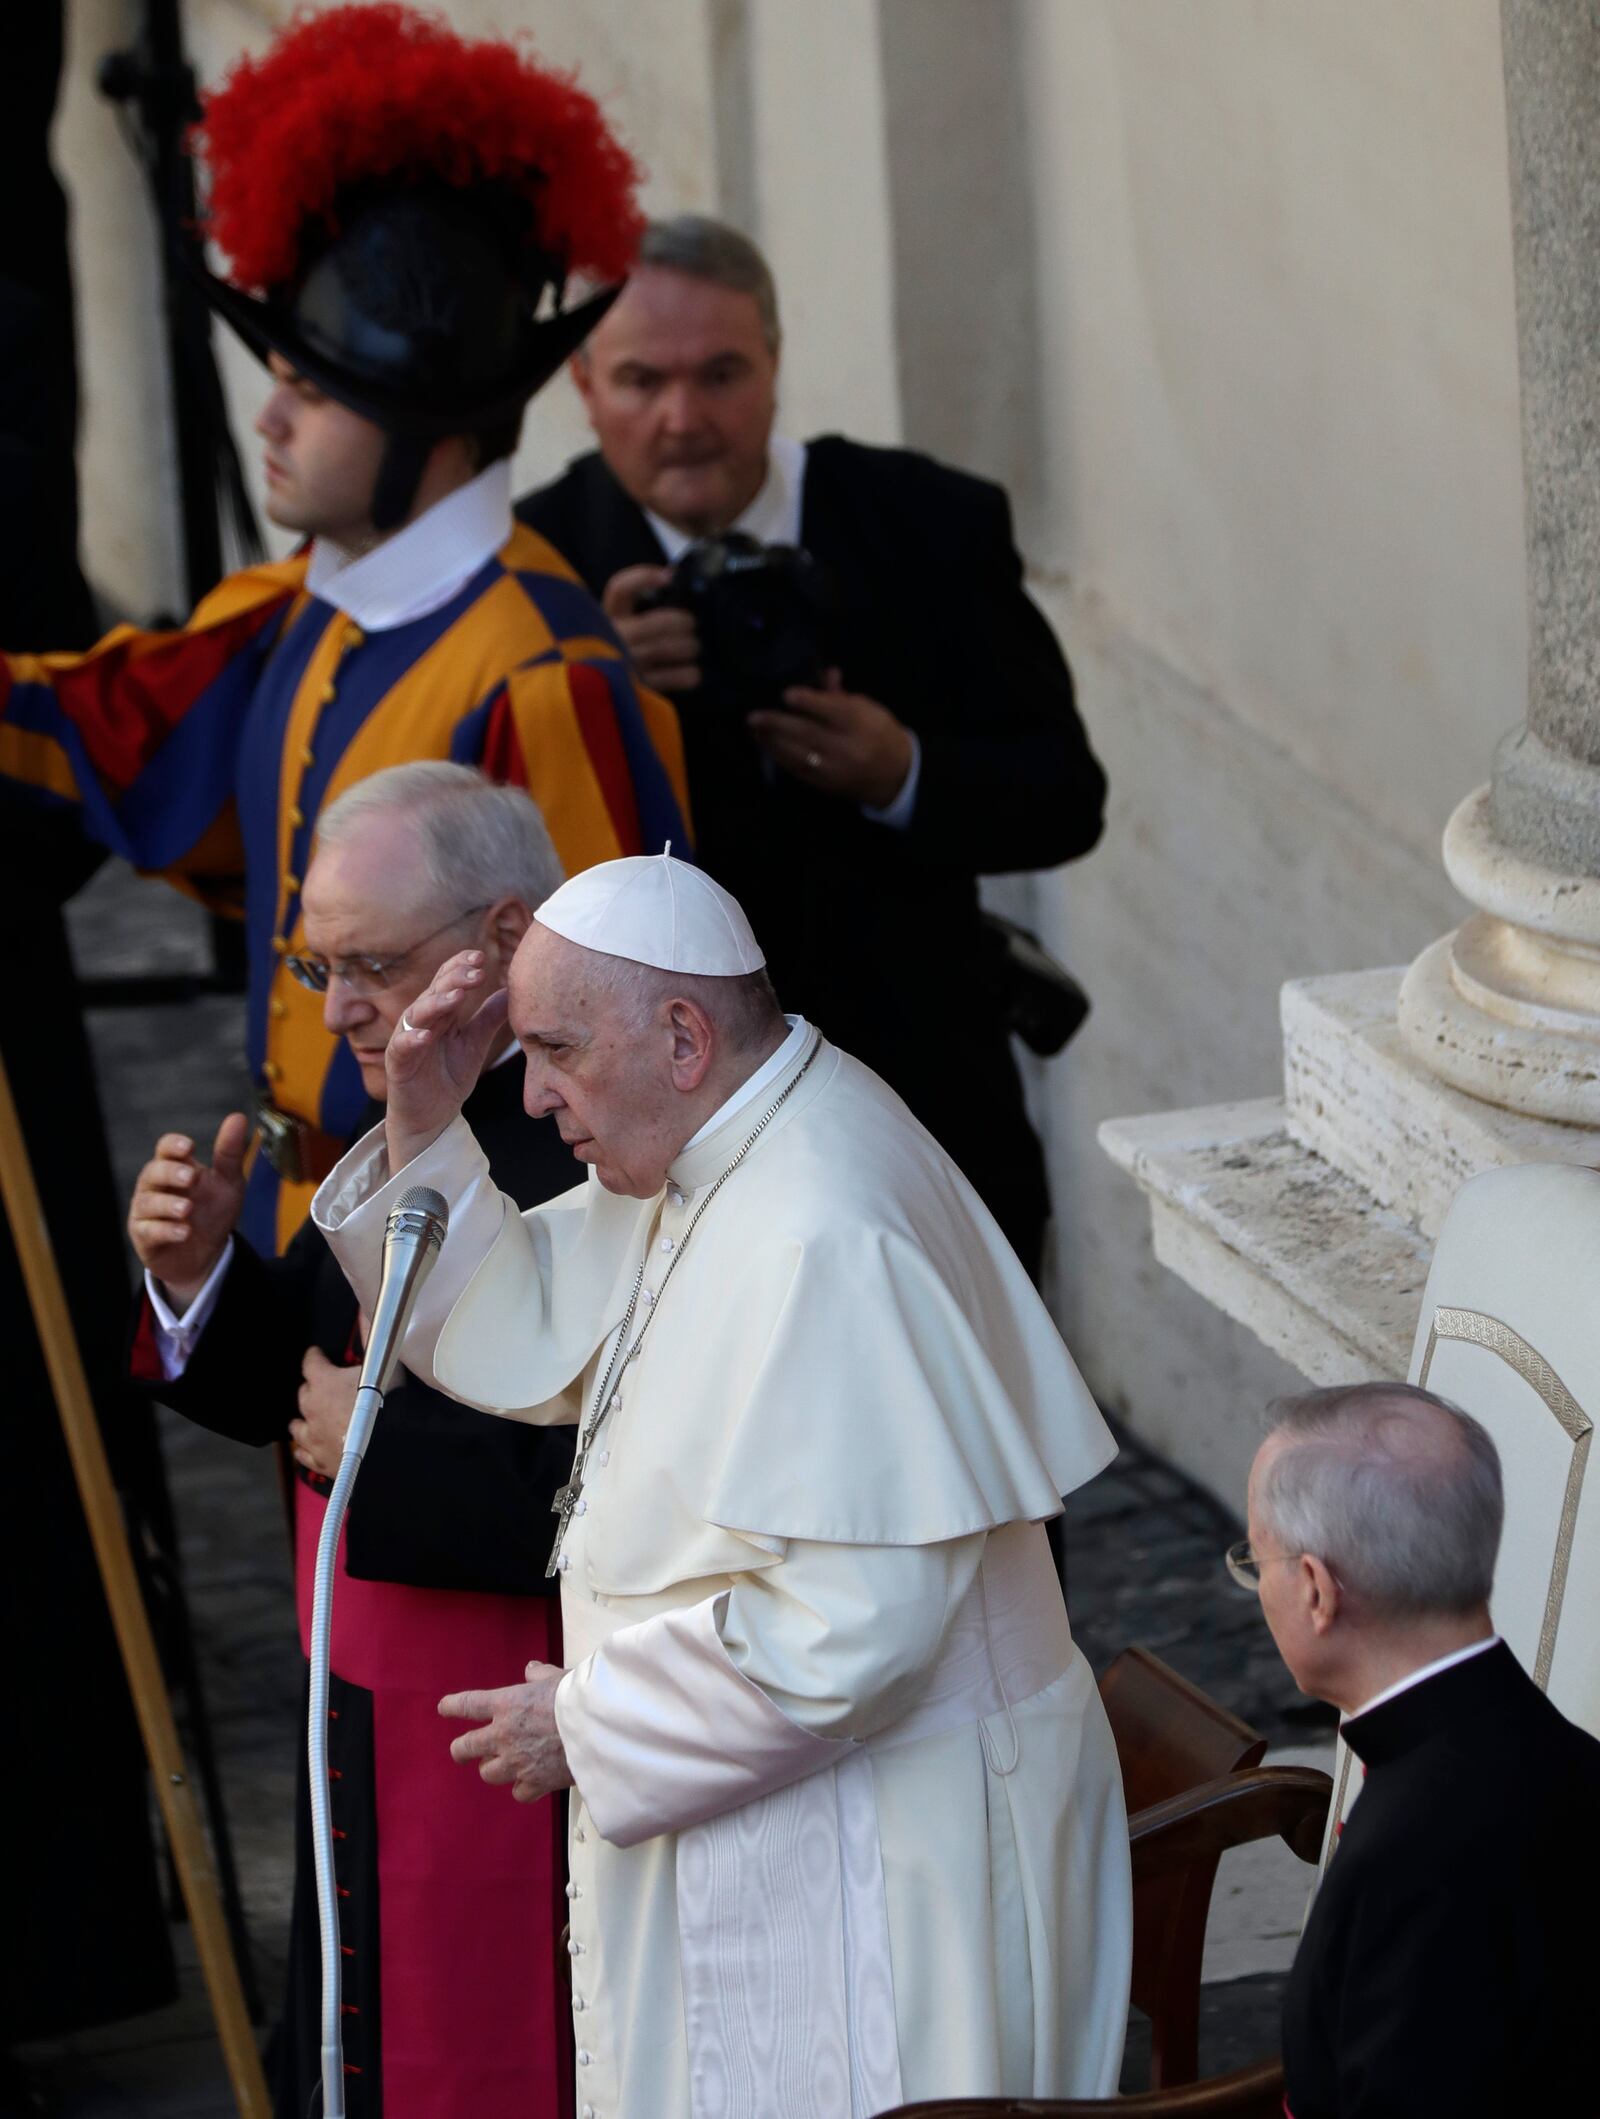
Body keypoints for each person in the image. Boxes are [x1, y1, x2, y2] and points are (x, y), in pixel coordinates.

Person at [312, 851, 1133, 2114]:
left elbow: (852, 1631)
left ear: (683, 1037)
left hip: (885, 1853)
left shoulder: (822, 1224)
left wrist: (583, 1722)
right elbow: (519, 1318)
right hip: (777, 1809)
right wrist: (427, 1126)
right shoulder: (715, 1147)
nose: (530, 1096)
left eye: (555, 1050)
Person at [0, 3, 688, 1259]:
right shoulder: (297, 613)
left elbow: (617, 1077)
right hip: (298, 1238)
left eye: (311, 393)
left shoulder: (546, 675)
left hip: (453, 1261)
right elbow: (101, 725)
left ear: (427, 425)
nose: (269, 421)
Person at [517, 215, 1106, 1279]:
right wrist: (591, 695)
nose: (683, 419)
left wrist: (904, 772)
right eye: (642, 380)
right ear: (584, 384)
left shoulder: (928, 525)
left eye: (722, 374)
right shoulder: (536, 573)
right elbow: (497, 881)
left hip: (927, 1116)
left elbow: (1068, 795)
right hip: (643, 1155)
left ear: (777, 365)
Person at [128, 765, 581, 2119]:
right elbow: (317, 1376)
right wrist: (203, 1279)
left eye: (374, 964)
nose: (339, 1010)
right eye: (321, 965)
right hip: (370, 1700)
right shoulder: (405, 1103)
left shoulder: (585, 1138)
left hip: (507, 1723)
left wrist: (371, 1453)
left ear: (504, 938)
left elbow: (604, 1472)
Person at [1239, 1382, 1600, 2119]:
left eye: (1256, 1559)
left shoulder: (1409, 1865)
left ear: (1315, 1589)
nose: (1255, 1584)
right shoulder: (1565, 1754)